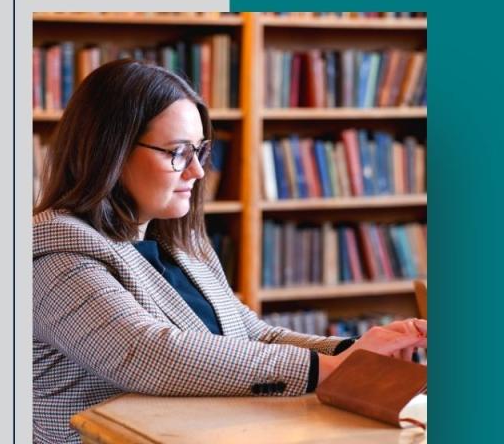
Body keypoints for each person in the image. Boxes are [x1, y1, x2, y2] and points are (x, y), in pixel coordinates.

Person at [33, 59, 427, 443]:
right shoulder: (56, 251)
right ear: (110, 152)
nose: (197, 172)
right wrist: (328, 368)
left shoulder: (179, 243)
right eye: (177, 152)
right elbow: (148, 354)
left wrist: (353, 353)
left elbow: (252, 334)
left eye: (199, 151)